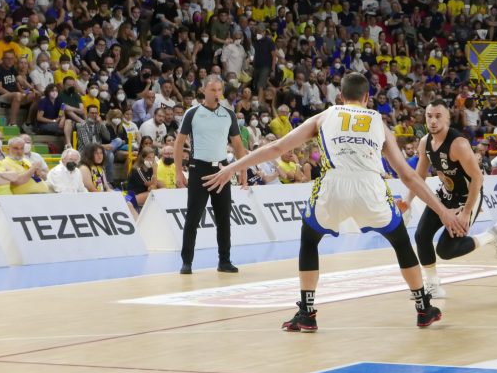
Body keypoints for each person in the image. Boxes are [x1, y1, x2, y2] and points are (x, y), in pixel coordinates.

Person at [202, 72, 466, 331]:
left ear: (340, 96)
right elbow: (407, 175)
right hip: (370, 187)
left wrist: (232, 168)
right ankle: (423, 308)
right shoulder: (379, 122)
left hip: (333, 186)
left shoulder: (325, 116)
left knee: (309, 238)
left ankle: (306, 312)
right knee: (400, 240)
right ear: (367, 97)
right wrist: (442, 211)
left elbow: (276, 148)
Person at [407, 100, 497, 299]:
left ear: (447, 118)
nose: (433, 121)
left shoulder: (458, 144)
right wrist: (407, 201)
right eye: (429, 116)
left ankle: (490, 236)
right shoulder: (424, 142)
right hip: (445, 195)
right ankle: (433, 285)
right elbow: (419, 176)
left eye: (438, 116)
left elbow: (478, 178)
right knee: (421, 236)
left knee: (445, 250)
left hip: (467, 197)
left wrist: (466, 212)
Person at [175, 76, 248, 274]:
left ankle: (224, 260)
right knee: (193, 218)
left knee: (224, 218)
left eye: (219, 90)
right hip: (199, 169)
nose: (217, 94)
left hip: (222, 170)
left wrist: (243, 171)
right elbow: (179, 143)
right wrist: (177, 172)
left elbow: (238, 145)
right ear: (203, 90)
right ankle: (187, 262)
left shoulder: (228, 114)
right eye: (213, 90)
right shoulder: (192, 113)